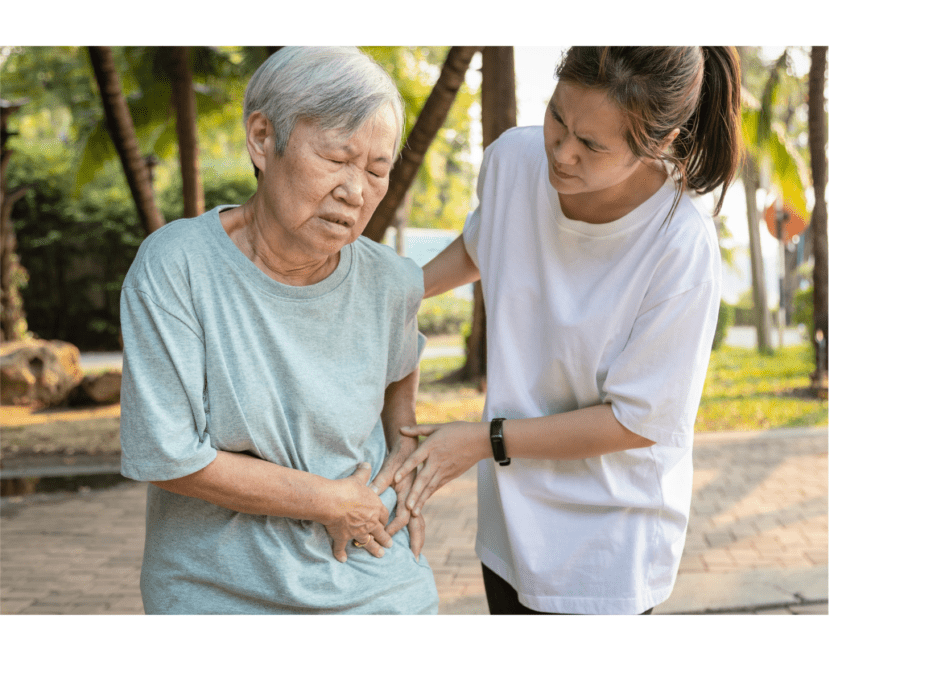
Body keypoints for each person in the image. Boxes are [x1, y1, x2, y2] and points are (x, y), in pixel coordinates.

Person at [391, 46, 743, 614]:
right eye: (558, 116)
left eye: (593, 145)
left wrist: (484, 441)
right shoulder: (513, 159)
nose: (561, 152)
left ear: (661, 141)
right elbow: (482, 246)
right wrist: (387, 293)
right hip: (510, 524)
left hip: (609, 542)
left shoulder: (680, 244)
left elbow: (636, 420)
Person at [119, 46, 437, 614]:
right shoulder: (178, 266)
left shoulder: (392, 283)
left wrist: (401, 483)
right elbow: (167, 455)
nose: (356, 190)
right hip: (221, 590)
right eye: (337, 157)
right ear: (263, 139)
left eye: (377, 169)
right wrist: (329, 501)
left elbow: (400, 394)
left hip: (375, 575)